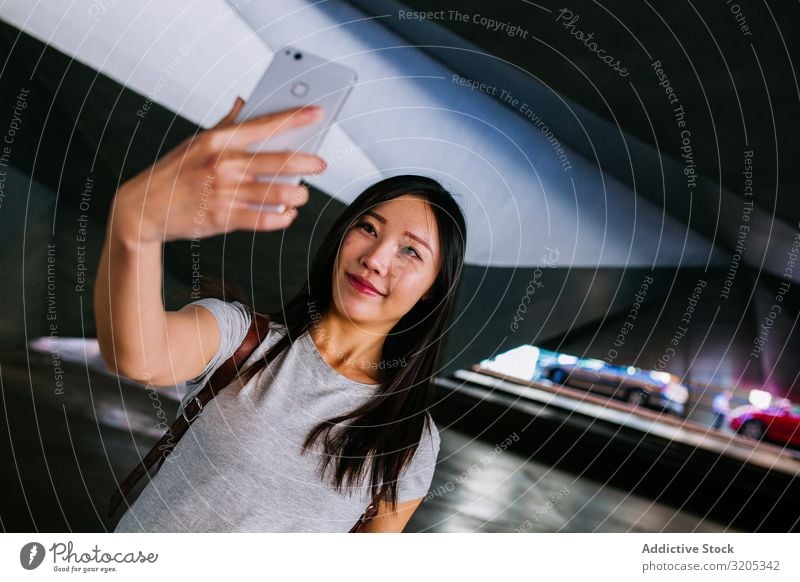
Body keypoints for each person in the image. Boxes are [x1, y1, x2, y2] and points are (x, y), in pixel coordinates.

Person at [94, 97, 467, 532]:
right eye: (368, 227)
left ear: (431, 291)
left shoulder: (411, 441)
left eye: (410, 251)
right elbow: (137, 356)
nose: (377, 258)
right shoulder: (241, 339)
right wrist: (136, 226)